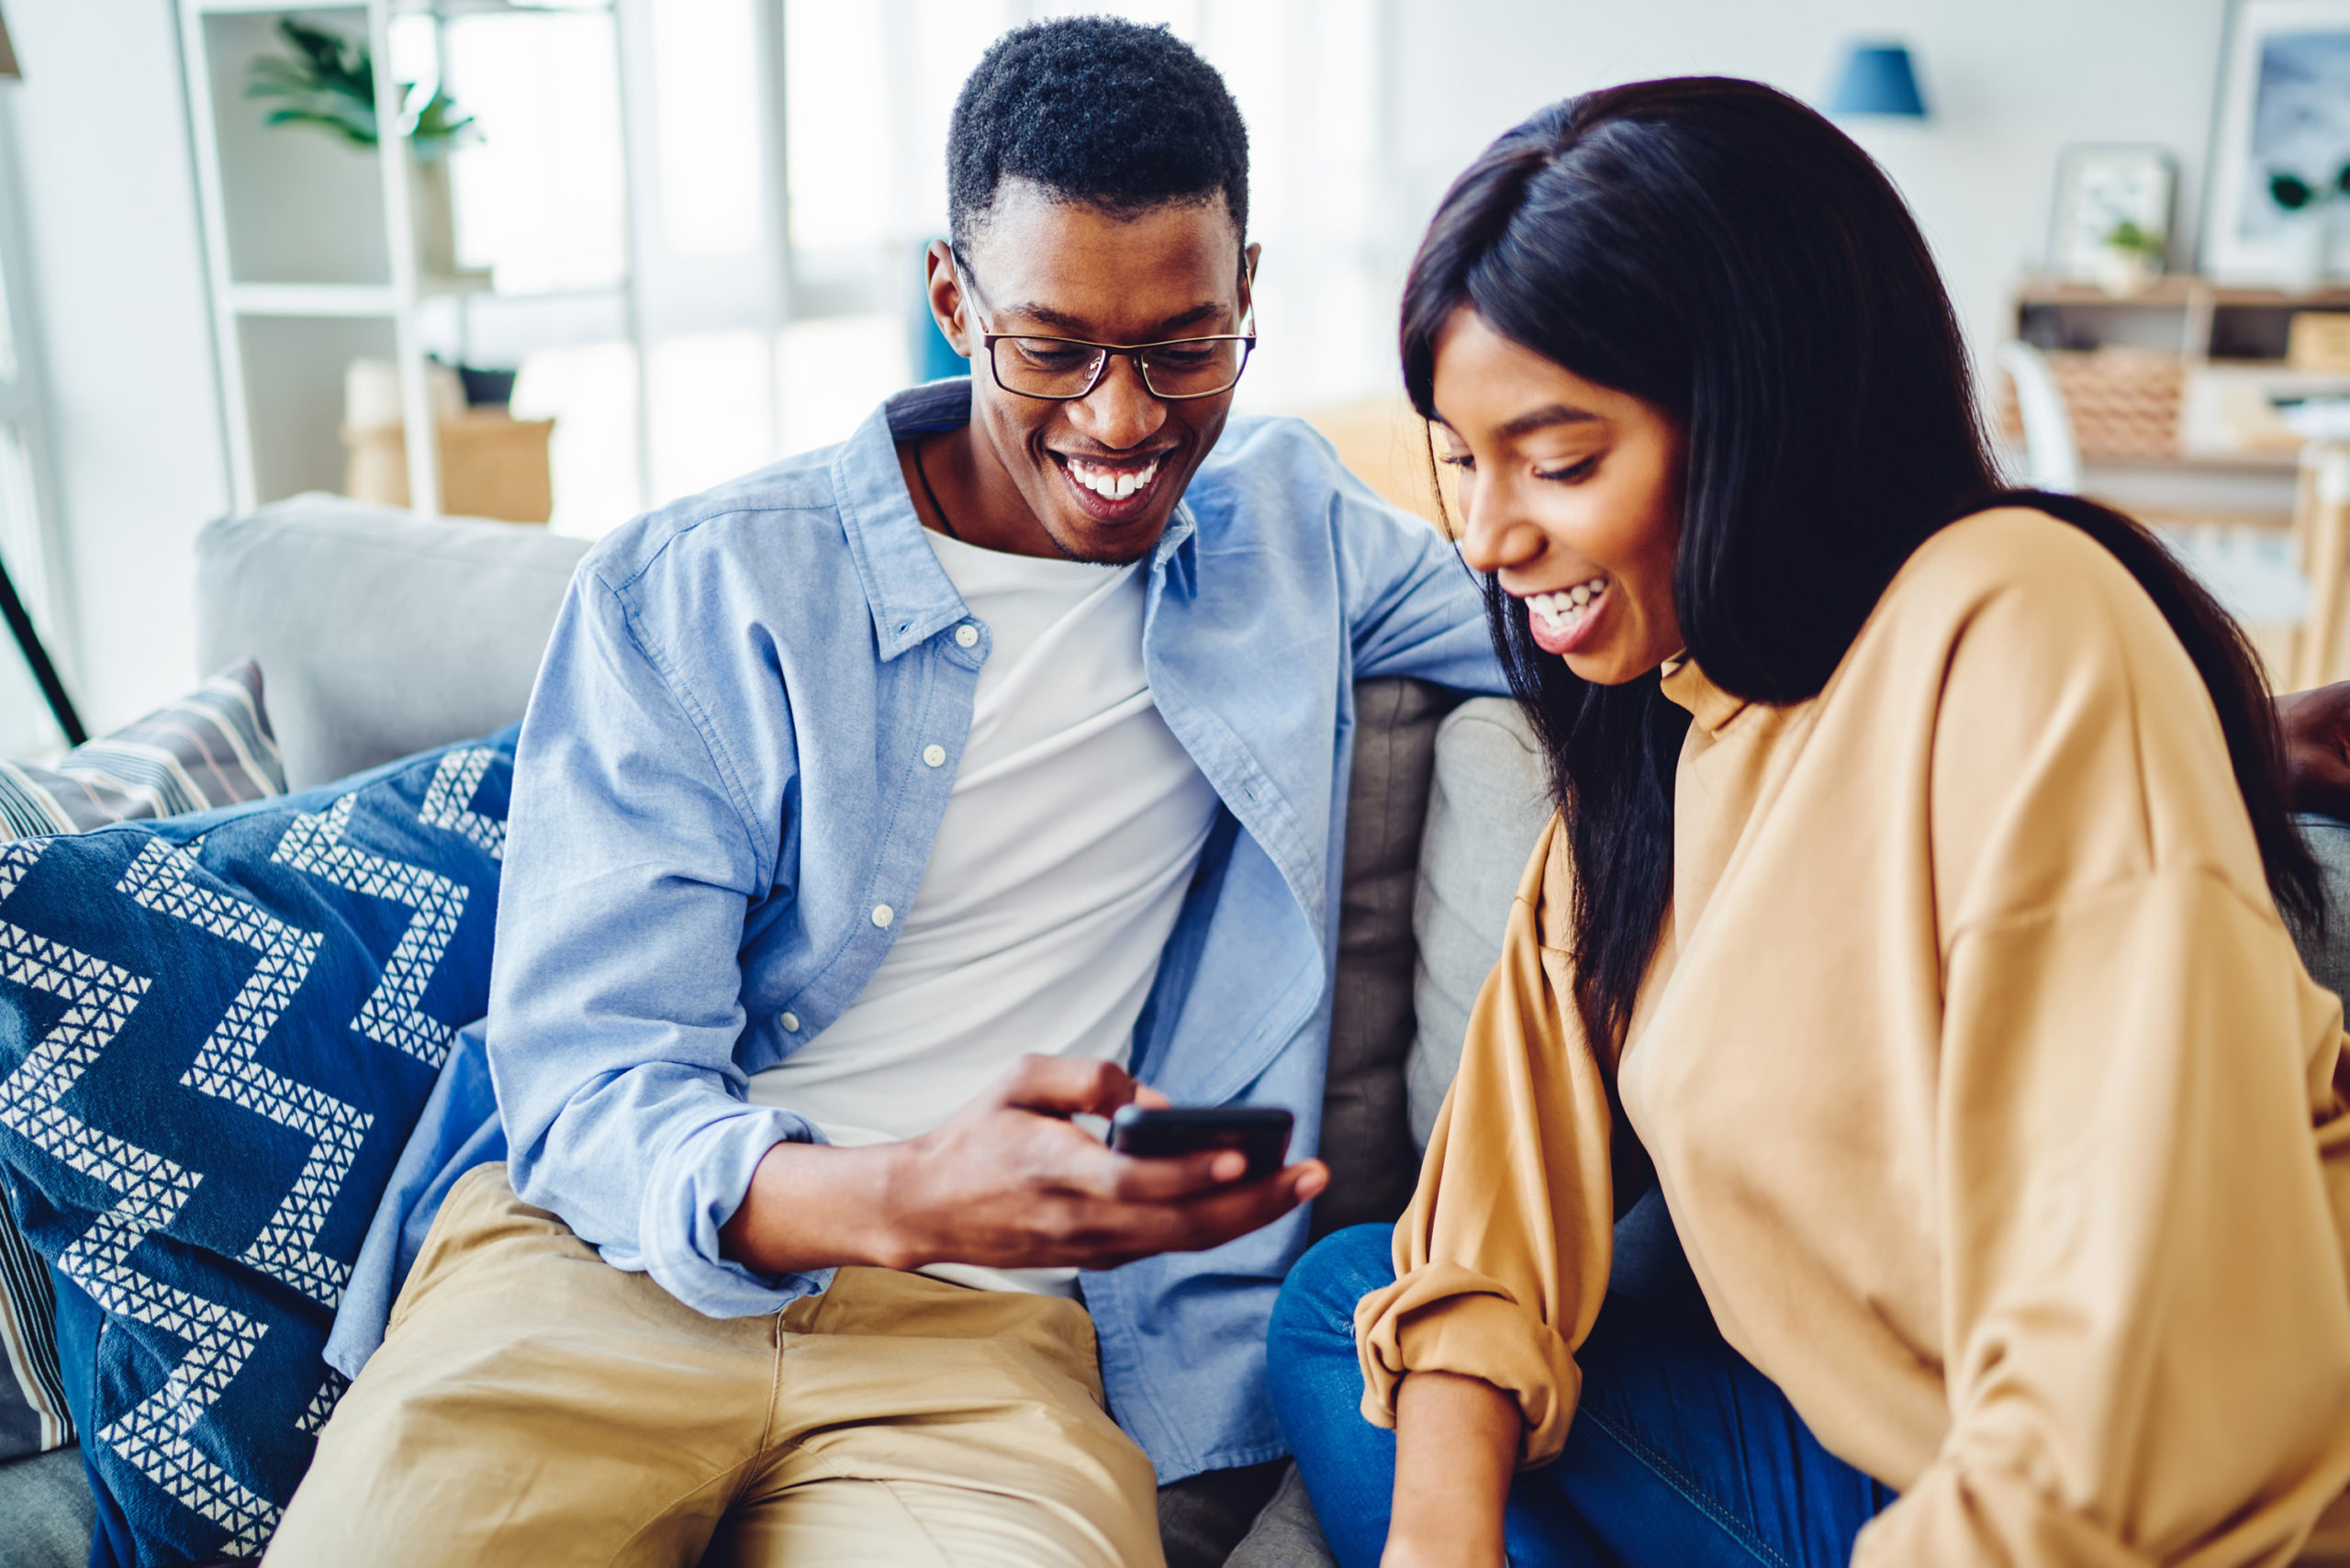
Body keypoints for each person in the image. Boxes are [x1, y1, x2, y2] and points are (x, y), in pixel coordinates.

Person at [267, 18, 1502, 1568]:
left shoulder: (1297, 532)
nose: (1122, 420)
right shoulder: (702, 591)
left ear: (1247, 290)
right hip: (597, 1280)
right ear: (951, 299)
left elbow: (1580, 611)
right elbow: (587, 1088)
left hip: (976, 1355)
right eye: (1051, 347)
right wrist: (911, 1192)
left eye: (1183, 349)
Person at [1267, 78, 2350, 1568]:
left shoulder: (2013, 617)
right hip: (1884, 1476)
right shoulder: (1655, 748)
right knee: (1351, 1308)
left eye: (1560, 462)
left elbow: (2139, 1376)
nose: (1489, 537)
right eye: (1462, 458)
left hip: (2147, 1513)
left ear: (1757, 414)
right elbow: (1483, 1236)